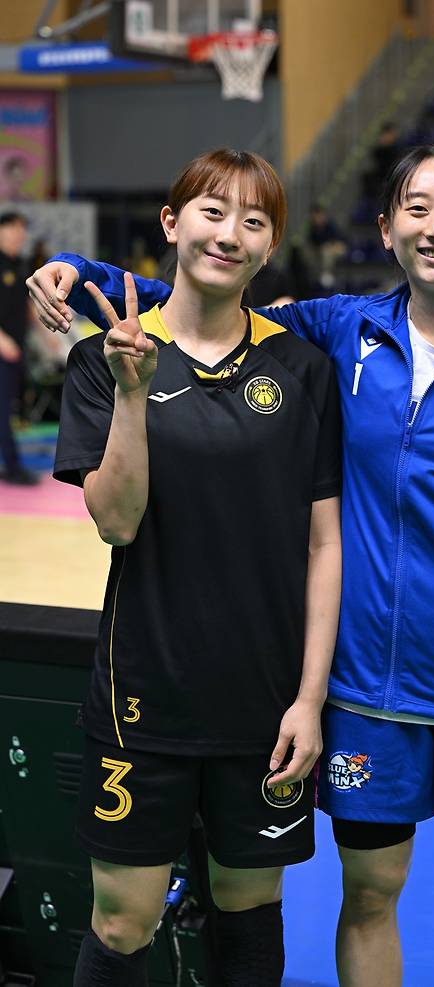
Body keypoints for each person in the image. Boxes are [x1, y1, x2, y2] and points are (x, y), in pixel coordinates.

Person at [29, 144, 434, 987]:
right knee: (367, 893)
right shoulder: (344, 328)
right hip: (364, 690)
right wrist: (82, 273)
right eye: (416, 208)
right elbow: (207, 287)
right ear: (385, 228)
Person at [45, 149, 342, 987]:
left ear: (269, 246)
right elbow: (116, 521)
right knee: (122, 920)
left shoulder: (303, 369)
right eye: (213, 212)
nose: (230, 234)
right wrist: (132, 391)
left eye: (254, 221)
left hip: (265, 703)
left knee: (248, 907)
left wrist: (310, 698)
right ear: (172, 224)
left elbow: (325, 544)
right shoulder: (104, 359)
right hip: (142, 698)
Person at [0, 211, 39, 484]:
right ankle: (13, 468)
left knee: (8, 408)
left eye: (22, 230)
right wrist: (2, 341)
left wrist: (48, 331)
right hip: (4, 348)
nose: (18, 234)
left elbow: (26, 304)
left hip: (16, 349)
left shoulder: (21, 264)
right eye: (12, 228)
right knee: (3, 410)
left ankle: (12, 465)